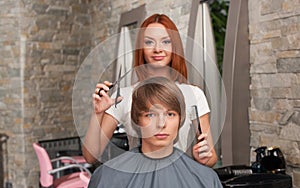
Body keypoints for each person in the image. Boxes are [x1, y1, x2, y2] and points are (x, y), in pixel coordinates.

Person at [83, 14, 217, 167]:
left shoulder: (194, 95)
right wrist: (98, 114)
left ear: (175, 47)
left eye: (165, 42)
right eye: (149, 42)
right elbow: (90, 156)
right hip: (139, 182)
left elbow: (211, 156)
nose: (157, 49)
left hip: (179, 181)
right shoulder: (123, 97)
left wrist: (204, 157)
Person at [84, 77, 227, 188]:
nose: (161, 124)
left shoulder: (206, 179)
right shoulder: (108, 177)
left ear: (180, 119)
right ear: (137, 119)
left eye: (170, 114)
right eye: (150, 115)